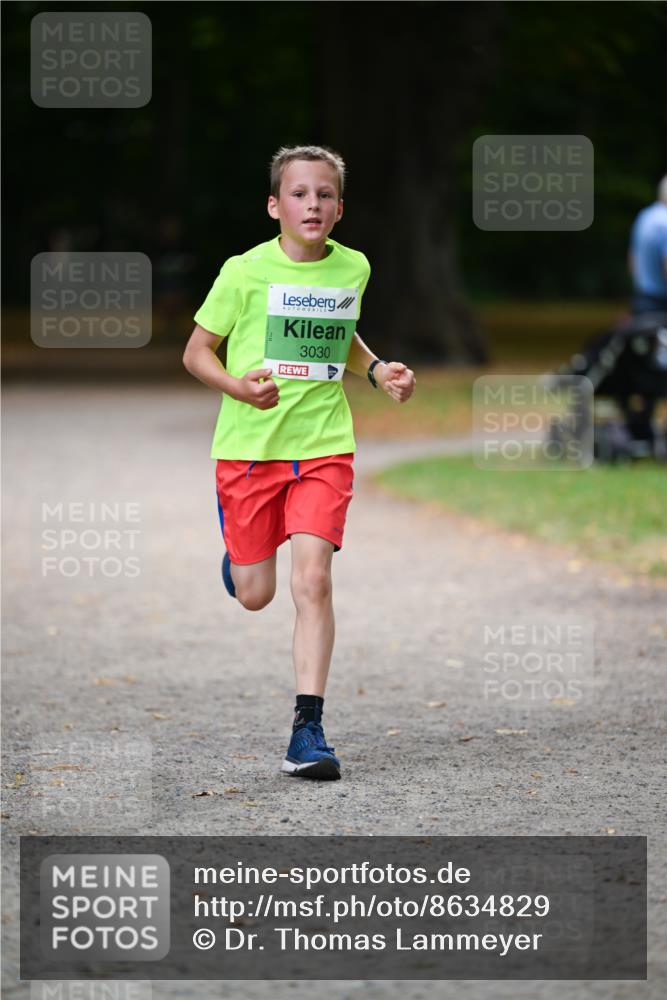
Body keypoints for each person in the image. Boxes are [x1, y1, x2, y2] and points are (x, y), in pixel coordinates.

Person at [183, 145, 416, 781]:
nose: (311, 204)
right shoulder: (243, 272)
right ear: (274, 206)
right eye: (298, 194)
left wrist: (373, 368)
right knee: (256, 594)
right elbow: (197, 352)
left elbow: (336, 335)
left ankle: (307, 730)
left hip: (323, 446)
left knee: (312, 580)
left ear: (340, 209)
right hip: (249, 450)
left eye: (323, 194)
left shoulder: (354, 269)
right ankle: (239, 554)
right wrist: (238, 388)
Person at [628, 174, 667, 314]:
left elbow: (633, 260)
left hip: (642, 299)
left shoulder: (645, 216)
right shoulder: (665, 223)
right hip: (661, 306)